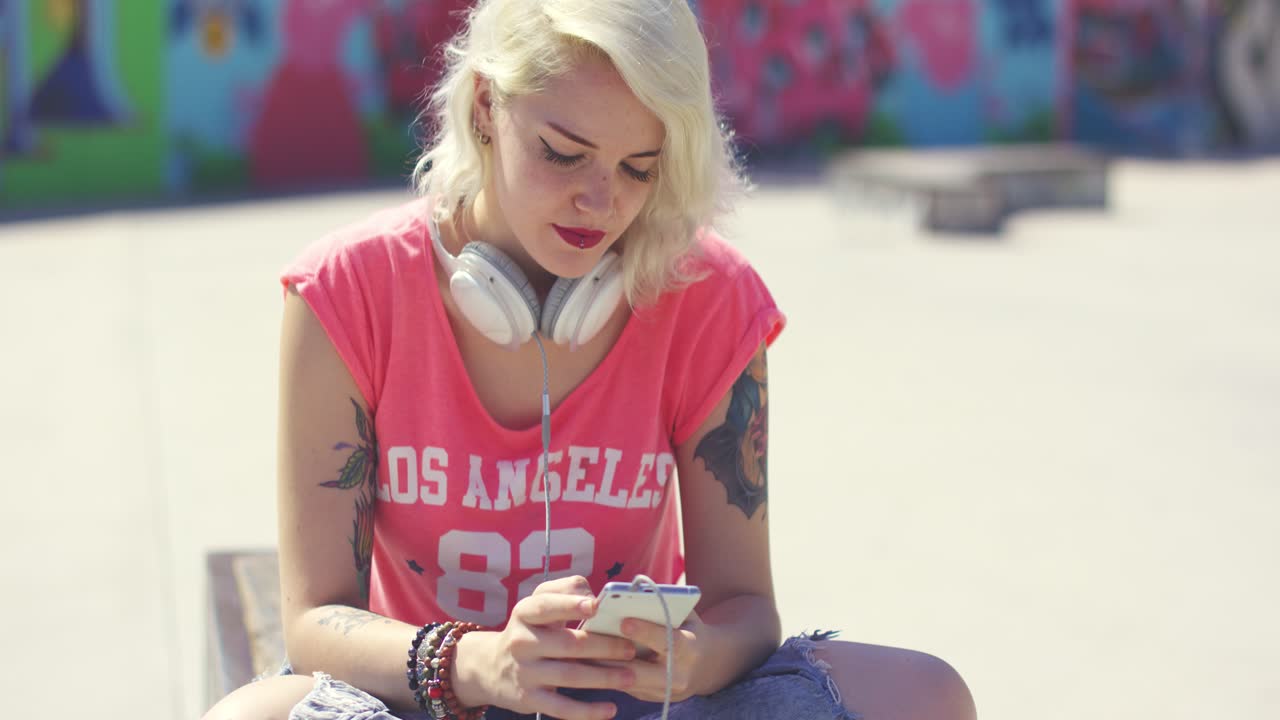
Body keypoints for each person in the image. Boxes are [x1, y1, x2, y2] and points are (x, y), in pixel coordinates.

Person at [203, 1, 977, 718]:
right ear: (485, 106)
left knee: (928, 694)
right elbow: (314, 620)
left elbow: (745, 606)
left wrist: (695, 658)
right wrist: (477, 664)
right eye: (564, 155)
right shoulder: (346, 290)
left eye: (639, 167)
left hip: (637, 704)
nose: (601, 203)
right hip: (430, 694)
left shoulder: (708, 294)